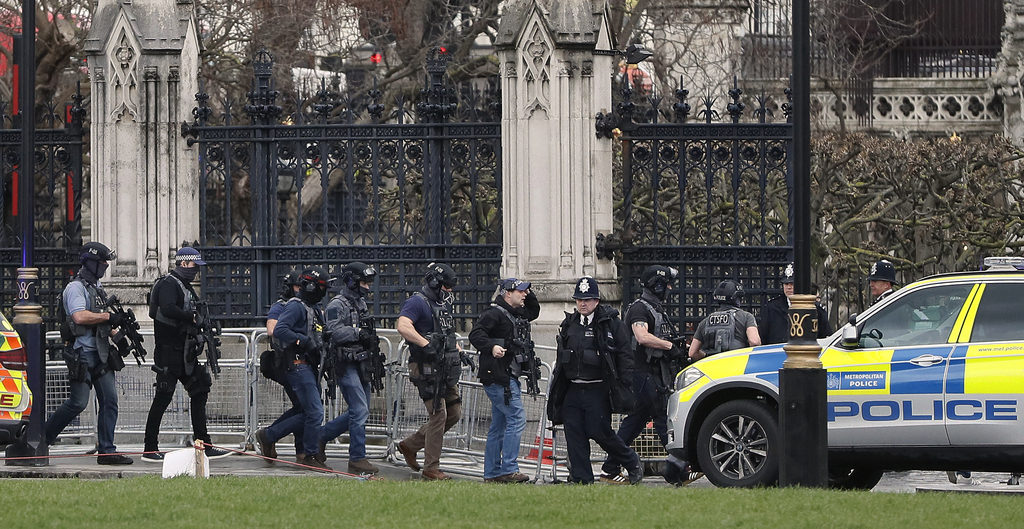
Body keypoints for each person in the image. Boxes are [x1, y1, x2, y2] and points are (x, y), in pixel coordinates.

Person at [599, 265, 697, 486]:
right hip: (641, 374)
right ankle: (679, 468)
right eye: (667, 284)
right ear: (658, 285)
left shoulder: (655, 308)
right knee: (662, 418)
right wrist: (669, 346)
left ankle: (610, 467)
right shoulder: (639, 309)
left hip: (652, 374)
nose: (670, 289)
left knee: (634, 424)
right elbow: (642, 337)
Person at [547, 277, 643, 485]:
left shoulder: (610, 323)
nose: (583, 304)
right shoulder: (569, 323)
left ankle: (631, 461)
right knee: (574, 434)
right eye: (579, 299)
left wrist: (623, 384)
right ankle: (583, 479)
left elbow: (625, 356)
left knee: (600, 431)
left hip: (598, 388)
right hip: (573, 388)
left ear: (597, 301)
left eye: (588, 299)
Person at [45, 242, 133, 465]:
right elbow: (80, 317)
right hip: (81, 354)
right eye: (103, 261)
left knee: (110, 401)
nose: (105, 265)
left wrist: (118, 335)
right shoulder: (76, 288)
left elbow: (102, 317)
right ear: (92, 262)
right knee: (78, 403)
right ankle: (39, 439)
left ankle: (107, 451)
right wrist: (107, 318)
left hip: (101, 353)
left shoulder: (97, 287)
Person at [143, 247, 229, 462]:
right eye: (193, 266)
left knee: (199, 392)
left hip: (185, 351)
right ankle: (149, 448)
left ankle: (203, 444)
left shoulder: (186, 287)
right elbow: (168, 308)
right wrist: (191, 318)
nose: (196, 271)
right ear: (183, 263)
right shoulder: (168, 284)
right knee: (163, 396)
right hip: (168, 351)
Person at [256, 266, 332, 470]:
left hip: (310, 365)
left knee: (309, 411)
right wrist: (303, 342)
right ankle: (309, 454)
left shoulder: (314, 309)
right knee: (314, 412)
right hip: (298, 365)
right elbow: (279, 329)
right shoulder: (295, 306)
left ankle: (272, 436)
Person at [395, 262, 463, 481]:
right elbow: (403, 326)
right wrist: (425, 344)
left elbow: (447, 333)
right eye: (446, 286)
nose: (449, 291)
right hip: (425, 367)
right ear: (434, 282)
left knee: (454, 413)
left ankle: (411, 445)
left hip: (444, 366)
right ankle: (431, 467)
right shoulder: (417, 302)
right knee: (439, 414)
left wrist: (459, 351)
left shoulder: (442, 305)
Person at [469, 277, 540, 483]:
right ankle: (509, 469)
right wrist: (491, 346)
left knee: (499, 425)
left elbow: (534, 311)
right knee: (517, 419)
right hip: (500, 377)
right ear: (507, 293)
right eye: (520, 291)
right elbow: (475, 334)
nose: (524, 295)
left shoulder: (517, 313)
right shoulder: (494, 314)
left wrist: (527, 288)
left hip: (507, 377)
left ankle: (492, 473)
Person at [319, 262, 381, 475]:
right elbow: (334, 332)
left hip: (362, 362)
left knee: (358, 411)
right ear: (352, 281)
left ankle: (320, 436)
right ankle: (357, 458)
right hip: (345, 363)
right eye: (363, 282)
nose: (367, 287)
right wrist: (358, 333)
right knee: (360, 410)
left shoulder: (360, 303)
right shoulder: (338, 304)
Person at [260, 269, 304, 461]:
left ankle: (298, 449)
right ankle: (270, 436)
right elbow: (272, 329)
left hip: (305, 363)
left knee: (302, 407)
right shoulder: (282, 306)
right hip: (287, 363)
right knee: (306, 407)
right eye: (298, 287)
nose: (301, 290)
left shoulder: (307, 305)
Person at [758, 263, 833, 345]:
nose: (788, 287)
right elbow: (763, 336)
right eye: (786, 284)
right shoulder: (772, 307)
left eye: (792, 283)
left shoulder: (814, 308)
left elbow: (825, 336)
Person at [689, 280, 761, 361]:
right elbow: (754, 342)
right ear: (735, 298)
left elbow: (692, 353)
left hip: (713, 368)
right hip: (738, 366)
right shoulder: (746, 317)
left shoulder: (705, 322)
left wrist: (706, 356)